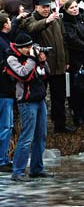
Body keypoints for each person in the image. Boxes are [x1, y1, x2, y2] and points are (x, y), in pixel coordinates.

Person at [24, 0, 74, 133]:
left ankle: (60, 125)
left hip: (59, 64)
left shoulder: (56, 18)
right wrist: (47, 21)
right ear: (36, 7)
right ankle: (37, 126)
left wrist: (66, 60)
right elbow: (32, 28)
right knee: (39, 95)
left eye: (48, 6)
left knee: (59, 96)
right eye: (43, 7)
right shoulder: (31, 18)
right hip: (42, 67)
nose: (46, 9)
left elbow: (64, 40)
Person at [6, 34, 52, 181]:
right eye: (27, 47)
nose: (30, 49)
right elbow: (23, 75)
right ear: (19, 48)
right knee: (27, 138)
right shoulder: (11, 59)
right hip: (26, 101)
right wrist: (32, 59)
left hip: (40, 100)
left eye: (31, 46)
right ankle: (18, 172)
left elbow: (46, 75)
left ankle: (37, 169)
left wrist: (42, 61)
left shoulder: (32, 56)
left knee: (41, 136)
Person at [61, 0, 84, 127]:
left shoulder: (82, 18)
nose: (75, 9)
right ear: (66, 10)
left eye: (75, 7)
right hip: (75, 58)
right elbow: (73, 40)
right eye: (71, 8)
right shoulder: (66, 23)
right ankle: (77, 114)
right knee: (75, 88)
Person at [0, 14, 13, 172]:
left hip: (5, 90)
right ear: (4, 24)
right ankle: (2, 160)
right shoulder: (3, 43)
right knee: (5, 126)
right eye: (9, 21)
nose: (11, 23)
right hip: (4, 91)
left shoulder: (5, 40)